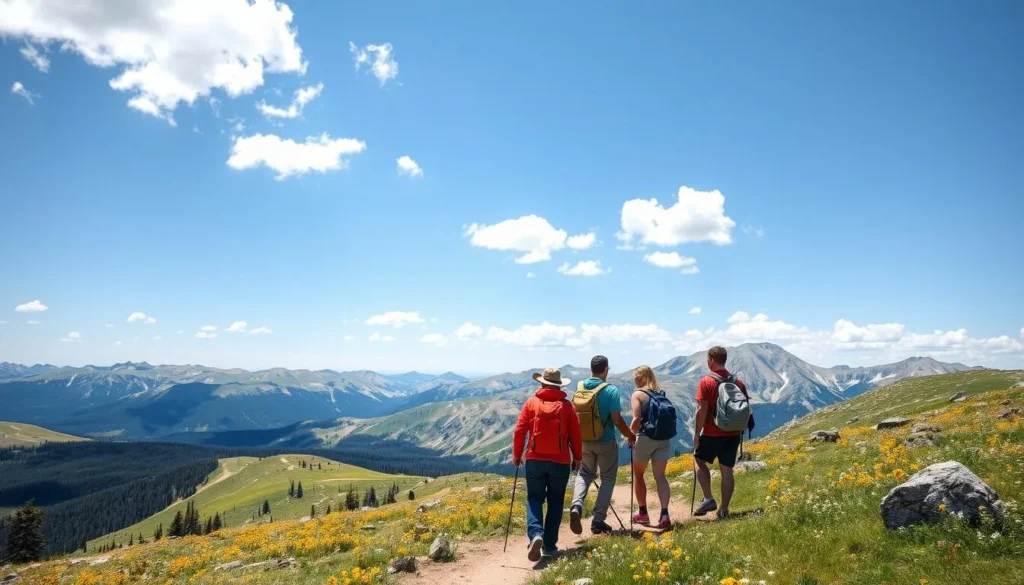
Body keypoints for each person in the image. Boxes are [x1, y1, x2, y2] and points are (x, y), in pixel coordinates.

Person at [513, 367, 583, 562]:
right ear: (559, 385)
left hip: (534, 459)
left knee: (534, 499)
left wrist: (517, 455)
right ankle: (550, 546)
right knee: (556, 501)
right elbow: (576, 435)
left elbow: (520, 431)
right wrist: (578, 457)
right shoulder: (567, 406)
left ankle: (536, 534)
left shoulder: (531, 403)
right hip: (560, 462)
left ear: (542, 383)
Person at [569, 355, 637, 535]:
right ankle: (598, 520)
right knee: (607, 478)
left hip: (584, 441)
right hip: (605, 441)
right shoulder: (611, 390)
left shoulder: (580, 386)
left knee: (584, 474)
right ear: (606, 369)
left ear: (591, 368)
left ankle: (576, 505)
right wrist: (629, 435)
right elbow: (617, 419)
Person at [692, 346, 750, 519]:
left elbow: (702, 410)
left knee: (699, 460)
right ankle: (724, 509)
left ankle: (708, 498)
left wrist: (696, 434)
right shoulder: (738, 382)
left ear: (711, 360)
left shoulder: (706, 382)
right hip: (733, 433)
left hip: (712, 432)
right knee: (727, 470)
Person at [629, 365, 673, 529]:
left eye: (635, 377)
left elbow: (636, 418)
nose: (634, 380)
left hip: (646, 438)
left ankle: (643, 513)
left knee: (639, 475)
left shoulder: (638, 394)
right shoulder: (659, 394)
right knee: (660, 476)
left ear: (640, 378)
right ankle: (664, 514)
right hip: (663, 439)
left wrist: (630, 435)